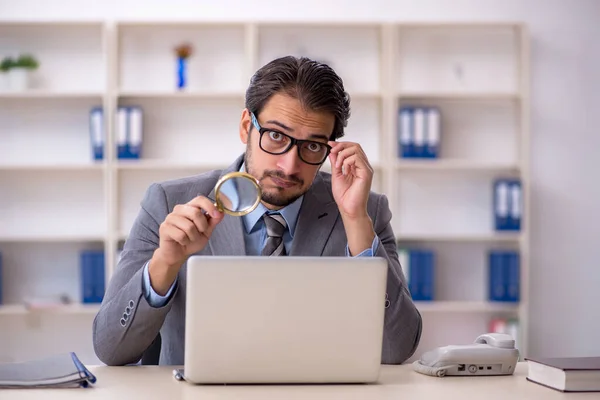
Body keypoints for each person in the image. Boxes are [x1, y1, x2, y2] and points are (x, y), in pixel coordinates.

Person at [92, 55, 422, 366]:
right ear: (245, 127)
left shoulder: (364, 210)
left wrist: (356, 226)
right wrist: (164, 264)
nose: (289, 165)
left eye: (312, 146)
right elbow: (111, 348)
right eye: (276, 136)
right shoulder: (167, 203)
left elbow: (397, 350)